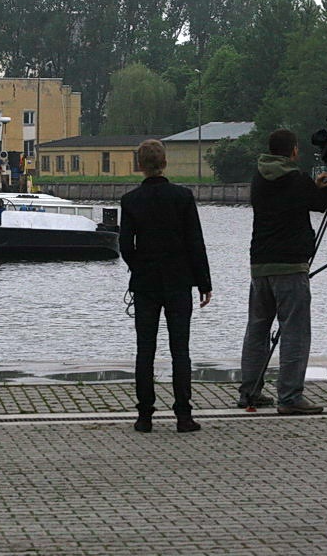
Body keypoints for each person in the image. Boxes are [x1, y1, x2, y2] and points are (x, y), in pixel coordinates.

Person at [119, 139, 212, 433]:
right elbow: (195, 242)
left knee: (144, 349)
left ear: (139, 165)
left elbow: (124, 245)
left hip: (146, 284)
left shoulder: (130, 200)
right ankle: (183, 415)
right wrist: (203, 282)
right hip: (178, 281)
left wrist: (140, 267)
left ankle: (144, 415)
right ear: (165, 163)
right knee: (179, 349)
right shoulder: (183, 197)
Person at [238, 129, 327, 415]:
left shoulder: (259, 178)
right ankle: (290, 396)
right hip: (290, 265)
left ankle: (250, 392)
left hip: (260, 264)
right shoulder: (296, 179)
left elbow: (295, 197)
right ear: (292, 151)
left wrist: (311, 187)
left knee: (257, 329)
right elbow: (319, 203)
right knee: (295, 331)